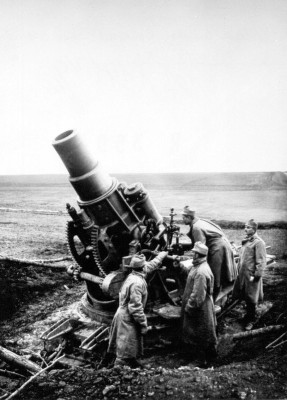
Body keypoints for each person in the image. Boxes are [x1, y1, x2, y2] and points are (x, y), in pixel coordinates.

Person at [107, 251, 168, 368]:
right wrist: (143, 324)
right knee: (125, 345)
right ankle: (117, 370)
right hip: (127, 317)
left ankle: (132, 362)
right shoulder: (137, 283)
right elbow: (135, 307)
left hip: (125, 313)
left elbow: (151, 265)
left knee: (130, 344)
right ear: (142, 267)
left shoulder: (133, 275)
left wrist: (162, 255)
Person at [175, 241, 217, 367]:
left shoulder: (201, 271)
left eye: (194, 253)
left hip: (200, 308)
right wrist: (179, 267)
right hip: (199, 306)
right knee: (196, 332)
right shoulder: (198, 266)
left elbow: (198, 296)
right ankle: (199, 357)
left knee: (199, 333)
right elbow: (190, 276)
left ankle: (200, 360)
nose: (192, 254)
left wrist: (189, 308)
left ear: (198, 255)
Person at [182, 206, 237, 301]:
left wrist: (193, 263)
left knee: (214, 274)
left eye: (183, 217)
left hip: (217, 249)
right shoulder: (201, 221)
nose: (182, 219)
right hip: (221, 245)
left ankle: (211, 300)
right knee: (217, 273)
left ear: (189, 217)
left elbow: (200, 248)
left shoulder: (196, 227)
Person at [232, 219, 267, 331]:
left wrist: (256, 276)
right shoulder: (247, 241)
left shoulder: (258, 242)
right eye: (245, 227)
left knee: (252, 299)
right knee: (245, 296)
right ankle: (247, 317)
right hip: (243, 275)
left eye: (248, 227)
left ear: (254, 229)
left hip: (251, 276)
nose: (245, 229)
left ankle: (251, 321)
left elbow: (261, 261)